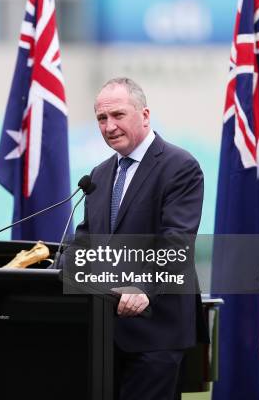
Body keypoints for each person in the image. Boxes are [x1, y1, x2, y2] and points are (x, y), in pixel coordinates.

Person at [67, 77, 206, 400]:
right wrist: (57, 269)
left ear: (144, 115)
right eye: (102, 118)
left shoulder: (179, 166)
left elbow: (177, 242)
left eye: (118, 115)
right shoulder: (99, 176)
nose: (109, 126)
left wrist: (144, 287)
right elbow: (86, 242)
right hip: (104, 335)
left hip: (156, 331)